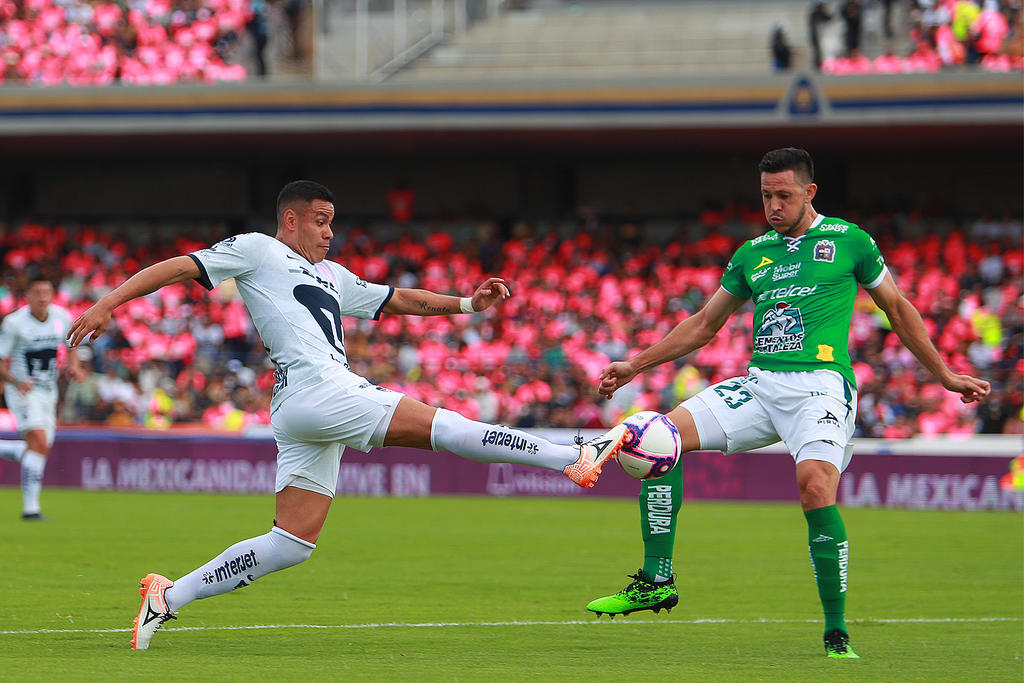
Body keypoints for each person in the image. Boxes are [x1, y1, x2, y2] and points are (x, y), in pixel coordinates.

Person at [66, 180, 626, 651]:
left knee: (291, 544)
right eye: (321, 220)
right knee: (447, 426)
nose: (330, 230)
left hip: (300, 407)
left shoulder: (332, 277)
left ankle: (168, 595)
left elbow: (399, 301)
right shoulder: (259, 249)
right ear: (291, 220)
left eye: (333, 221)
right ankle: (571, 456)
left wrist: (467, 304)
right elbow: (181, 267)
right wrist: (109, 303)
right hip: (322, 390)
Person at [584, 148, 990, 659]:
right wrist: (635, 364)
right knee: (651, 437)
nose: (773, 205)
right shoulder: (753, 253)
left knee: (815, 486)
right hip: (760, 386)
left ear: (809, 192)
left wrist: (945, 374)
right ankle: (656, 579)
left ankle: (836, 628)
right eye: (766, 196)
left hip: (820, 386)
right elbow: (704, 325)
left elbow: (898, 309)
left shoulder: (850, 241)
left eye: (783, 195)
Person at [0, 276, 85, 520]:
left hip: (49, 391)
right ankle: (31, 509)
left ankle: (12, 451)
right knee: (38, 442)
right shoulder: (14, 323)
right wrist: (15, 382)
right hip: (24, 391)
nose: (43, 297)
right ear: (27, 295)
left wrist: (74, 367)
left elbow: (72, 344)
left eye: (47, 291)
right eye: (37, 292)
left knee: (39, 448)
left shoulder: (61, 317)